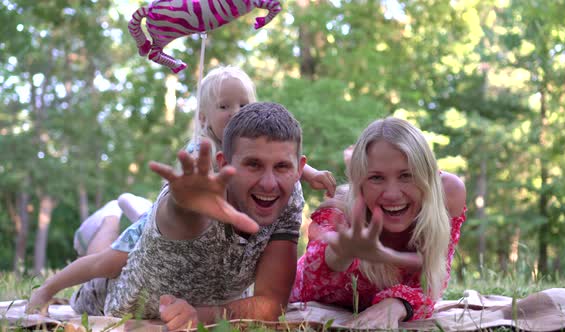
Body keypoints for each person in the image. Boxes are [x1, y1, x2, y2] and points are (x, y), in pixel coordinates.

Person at [26, 67, 335, 317]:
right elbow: (183, 202)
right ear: (204, 118)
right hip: (152, 241)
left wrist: (310, 174)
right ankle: (88, 241)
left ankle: (129, 207)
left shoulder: (281, 176)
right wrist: (182, 204)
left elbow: (269, 303)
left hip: (202, 274)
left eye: (243, 105)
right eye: (224, 107)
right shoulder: (200, 149)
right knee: (104, 263)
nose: (234, 112)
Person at [289, 117, 467, 329]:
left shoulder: (447, 193)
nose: (392, 194)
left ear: (425, 174)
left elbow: (432, 282)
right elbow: (312, 279)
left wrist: (399, 304)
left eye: (406, 175)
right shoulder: (339, 211)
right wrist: (344, 252)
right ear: (360, 181)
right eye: (376, 178)